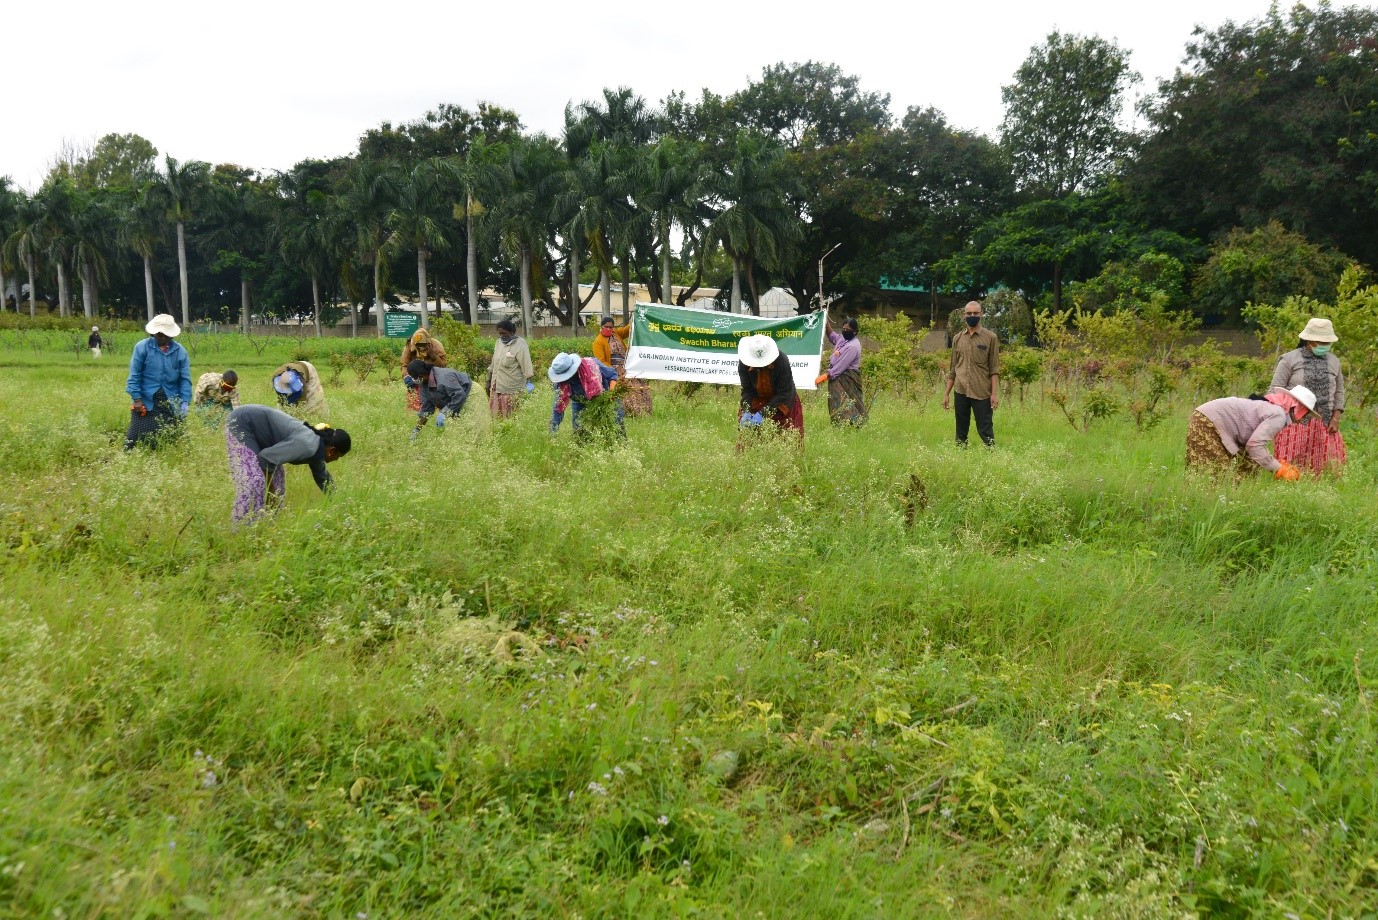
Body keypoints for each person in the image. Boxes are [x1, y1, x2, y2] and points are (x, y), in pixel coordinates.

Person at [225, 404, 351, 525]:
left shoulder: (318, 450)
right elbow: (265, 459)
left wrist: (341, 505)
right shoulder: (308, 445)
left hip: (257, 429)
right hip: (243, 422)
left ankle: (266, 524)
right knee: (255, 482)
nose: (337, 460)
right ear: (331, 450)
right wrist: (271, 491)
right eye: (338, 456)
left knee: (278, 484)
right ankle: (241, 528)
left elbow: (323, 478)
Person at [1186, 386, 1316, 480]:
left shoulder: (1274, 409)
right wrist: (1279, 469)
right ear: (1297, 407)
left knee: (1250, 468)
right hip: (1209, 422)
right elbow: (1254, 445)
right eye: (1306, 414)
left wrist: (1274, 464)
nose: (1305, 419)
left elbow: (1252, 445)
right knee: (1215, 477)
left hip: (1210, 420)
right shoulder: (1279, 415)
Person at [1270, 317, 1346, 474]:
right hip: (1294, 422)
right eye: (1321, 342)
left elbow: (1339, 392)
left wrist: (1335, 418)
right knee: (1290, 464)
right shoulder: (1289, 359)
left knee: (1326, 468)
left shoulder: (1334, 362)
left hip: (1325, 424)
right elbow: (1275, 391)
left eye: (1327, 343)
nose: (1325, 346)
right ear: (1309, 340)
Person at [124, 313, 192, 450]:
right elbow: (134, 375)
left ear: (172, 335)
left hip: (171, 399)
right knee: (134, 438)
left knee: (172, 438)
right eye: (159, 334)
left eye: (165, 335)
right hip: (146, 400)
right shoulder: (142, 348)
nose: (162, 337)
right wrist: (136, 399)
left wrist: (185, 401)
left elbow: (185, 379)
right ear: (153, 334)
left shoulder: (180, 352)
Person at [943, 301, 1000, 447]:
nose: (972, 316)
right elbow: (953, 368)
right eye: (969, 313)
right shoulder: (957, 338)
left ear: (981, 314)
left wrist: (994, 394)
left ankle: (992, 455)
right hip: (960, 390)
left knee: (985, 430)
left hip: (981, 391)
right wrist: (946, 394)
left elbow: (994, 369)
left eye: (975, 313)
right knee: (960, 432)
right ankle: (961, 458)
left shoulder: (990, 338)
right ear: (964, 315)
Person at [737, 334, 804, 441]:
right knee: (749, 437)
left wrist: (762, 413)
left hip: (782, 401)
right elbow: (747, 390)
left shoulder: (782, 361)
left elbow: (783, 392)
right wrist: (747, 411)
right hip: (757, 399)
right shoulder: (743, 363)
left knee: (786, 438)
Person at [548, 352, 623, 436]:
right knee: (579, 430)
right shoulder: (561, 383)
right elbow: (558, 407)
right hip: (579, 402)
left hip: (604, 397)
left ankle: (621, 443)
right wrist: (552, 433)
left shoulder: (592, 365)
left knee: (616, 423)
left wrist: (611, 394)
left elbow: (612, 375)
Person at [591, 315, 652, 416]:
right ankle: (631, 412)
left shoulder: (616, 334)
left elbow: (626, 330)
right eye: (606, 327)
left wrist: (635, 320)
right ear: (601, 327)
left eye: (611, 327)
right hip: (613, 370)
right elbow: (601, 362)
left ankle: (645, 411)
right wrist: (615, 370)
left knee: (641, 385)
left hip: (626, 366)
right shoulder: (598, 342)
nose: (609, 329)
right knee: (628, 388)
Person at [818, 316, 866, 426]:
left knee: (847, 400)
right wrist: (826, 324)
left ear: (855, 331)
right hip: (836, 376)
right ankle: (839, 424)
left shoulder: (853, 346)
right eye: (843, 329)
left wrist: (826, 375)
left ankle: (853, 424)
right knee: (836, 400)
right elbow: (832, 336)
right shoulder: (843, 339)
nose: (845, 331)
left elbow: (842, 365)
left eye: (848, 330)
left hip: (847, 377)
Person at [408, 358, 472, 440]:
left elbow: (459, 395)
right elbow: (426, 409)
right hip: (457, 400)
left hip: (470, 393)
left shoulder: (443, 377)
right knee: (459, 435)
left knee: (474, 431)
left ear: (421, 375)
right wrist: (417, 429)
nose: (415, 381)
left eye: (415, 378)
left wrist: (444, 412)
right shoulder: (424, 385)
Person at [486, 317, 534, 418]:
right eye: (500, 334)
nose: (502, 336)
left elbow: (527, 366)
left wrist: (529, 382)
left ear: (512, 332)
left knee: (511, 416)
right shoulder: (498, 342)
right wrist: (489, 381)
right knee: (496, 417)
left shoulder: (520, 344)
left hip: (511, 388)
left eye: (504, 333)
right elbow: (493, 364)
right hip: (497, 385)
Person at [401, 327, 447, 413]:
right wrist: (406, 376)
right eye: (419, 345)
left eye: (423, 344)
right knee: (414, 403)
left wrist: (433, 356)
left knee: (435, 399)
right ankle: (416, 414)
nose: (421, 348)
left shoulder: (436, 345)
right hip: (416, 376)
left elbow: (443, 366)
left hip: (432, 377)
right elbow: (404, 365)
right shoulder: (409, 346)